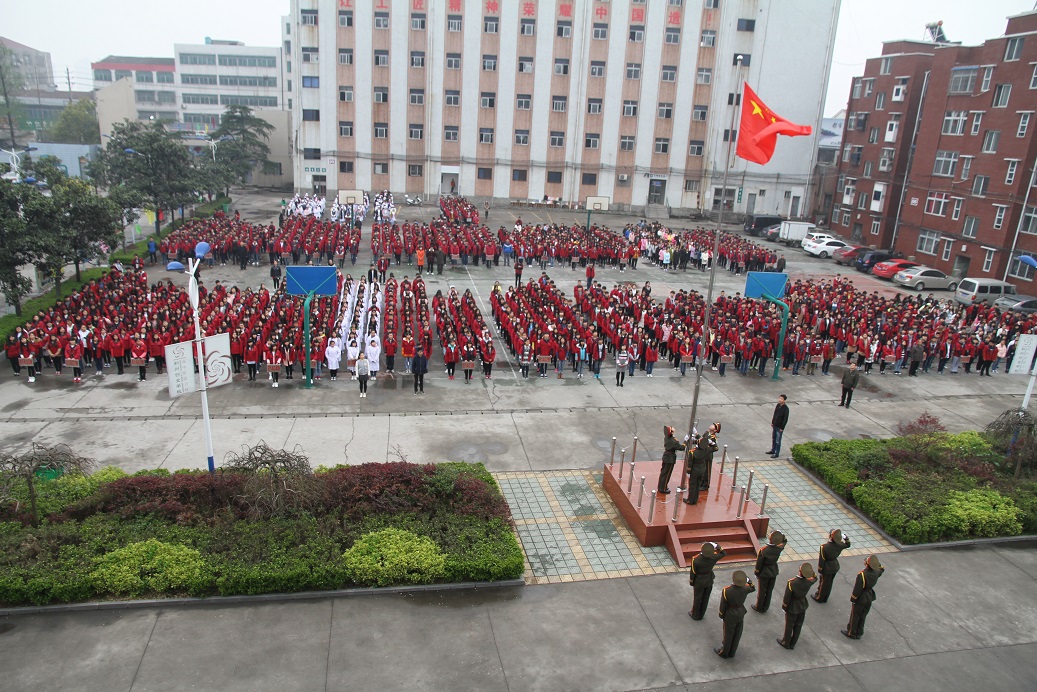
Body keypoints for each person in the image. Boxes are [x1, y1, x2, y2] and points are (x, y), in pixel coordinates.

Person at [715, 570, 756, 659]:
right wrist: (748, 580)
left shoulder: (727, 591)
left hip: (730, 614)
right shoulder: (745, 588)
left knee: (728, 634)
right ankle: (732, 652)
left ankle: (724, 652)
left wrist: (721, 615)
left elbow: (723, 605)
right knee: (737, 633)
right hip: (740, 612)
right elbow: (753, 588)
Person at [777, 563, 817, 650]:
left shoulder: (792, 583)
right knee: (798, 625)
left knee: (789, 625)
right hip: (802, 604)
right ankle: (793, 643)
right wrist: (809, 571)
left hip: (792, 606)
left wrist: (784, 607)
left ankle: (786, 642)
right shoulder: (809, 581)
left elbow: (787, 597)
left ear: (800, 572)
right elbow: (815, 577)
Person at [843, 555, 884, 640]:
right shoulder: (877, 571)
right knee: (863, 615)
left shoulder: (862, 575)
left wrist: (853, 599)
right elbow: (882, 569)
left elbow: (857, 589)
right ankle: (859, 632)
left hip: (861, 597)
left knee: (855, 616)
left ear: (867, 564)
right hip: (869, 596)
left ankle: (852, 632)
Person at [689, 542, 726, 620]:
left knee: (697, 598)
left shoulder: (696, 559)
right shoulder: (714, 557)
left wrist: (692, 582)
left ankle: (695, 615)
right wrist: (717, 545)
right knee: (706, 598)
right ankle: (701, 614)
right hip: (709, 579)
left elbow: (693, 572)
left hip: (699, 581)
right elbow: (724, 553)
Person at [813, 529, 852, 603]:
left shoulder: (824, 547)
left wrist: (820, 570)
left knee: (823, 584)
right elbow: (848, 544)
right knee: (829, 583)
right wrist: (846, 538)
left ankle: (819, 597)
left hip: (827, 567)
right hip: (835, 565)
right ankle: (825, 598)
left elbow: (822, 559)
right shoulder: (840, 544)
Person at [752, 530, 787, 613]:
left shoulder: (764, 550)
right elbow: (785, 541)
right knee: (769, 590)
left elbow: (759, 564)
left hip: (764, 572)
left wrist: (757, 572)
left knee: (762, 591)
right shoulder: (779, 548)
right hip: (773, 570)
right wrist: (780, 535)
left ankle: (759, 607)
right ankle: (765, 607)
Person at [659, 426, 688, 494]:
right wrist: (685, 441)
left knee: (663, 473)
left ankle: (661, 486)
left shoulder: (667, 437)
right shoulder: (673, 441)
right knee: (667, 474)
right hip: (670, 458)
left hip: (666, 456)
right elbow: (682, 448)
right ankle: (663, 488)